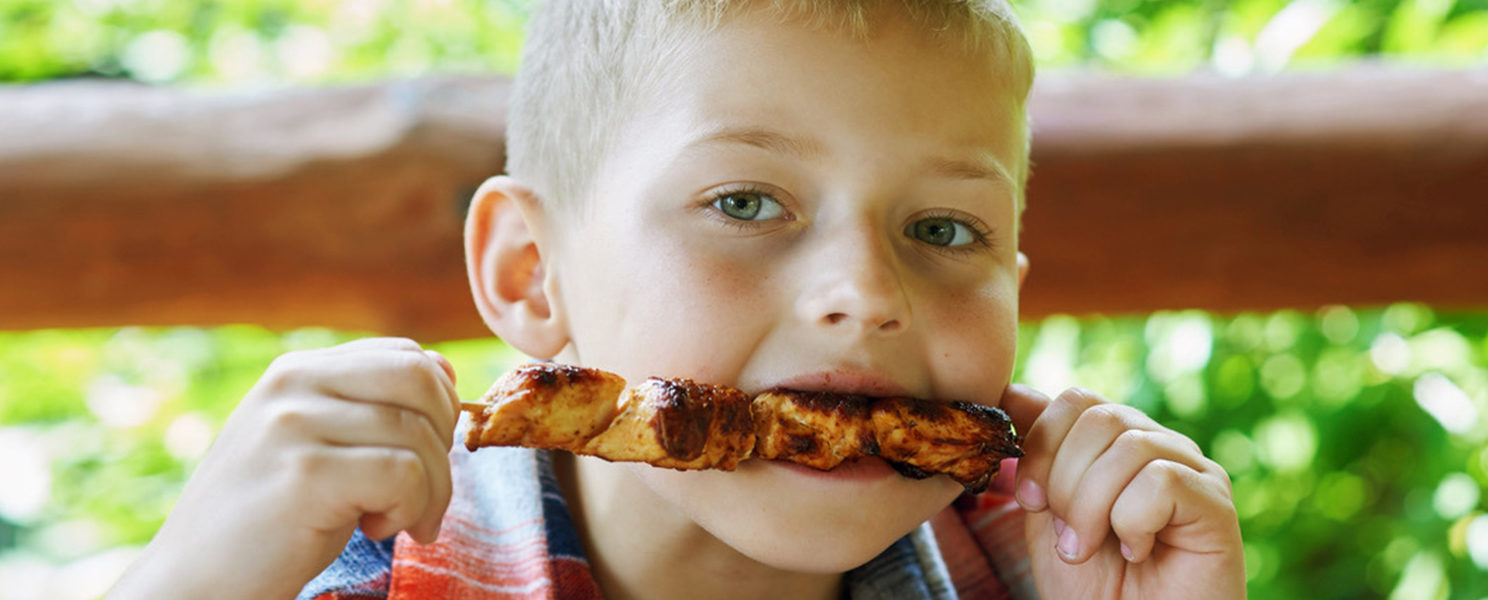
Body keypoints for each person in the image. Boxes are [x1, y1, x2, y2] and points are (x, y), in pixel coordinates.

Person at [108, 1, 1244, 598]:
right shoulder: (353, 574)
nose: (865, 294)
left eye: (944, 230)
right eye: (745, 202)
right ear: (531, 272)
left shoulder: (1061, 569)